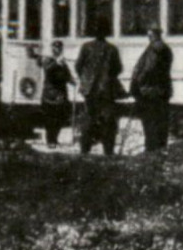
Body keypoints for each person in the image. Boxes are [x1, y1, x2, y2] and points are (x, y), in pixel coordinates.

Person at [74, 22, 123, 156]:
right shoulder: (112, 49)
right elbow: (118, 69)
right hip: (106, 90)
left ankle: (85, 150)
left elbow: (78, 66)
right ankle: (108, 151)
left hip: (89, 90)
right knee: (107, 121)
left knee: (89, 119)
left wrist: (85, 79)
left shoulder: (86, 47)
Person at [129, 25, 174, 153]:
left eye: (149, 35)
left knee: (150, 124)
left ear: (154, 34)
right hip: (162, 90)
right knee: (160, 124)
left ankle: (151, 151)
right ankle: (159, 150)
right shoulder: (165, 49)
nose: (148, 37)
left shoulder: (155, 49)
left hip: (150, 92)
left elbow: (149, 69)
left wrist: (136, 83)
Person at [37, 40, 75, 148]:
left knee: (60, 117)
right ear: (52, 49)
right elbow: (47, 70)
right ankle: (50, 140)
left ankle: (55, 139)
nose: (57, 50)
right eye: (55, 48)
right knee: (50, 118)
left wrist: (72, 81)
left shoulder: (63, 63)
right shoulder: (48, 60)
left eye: (59, 48)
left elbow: (67, 75)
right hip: (50, 93)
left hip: (61, 93)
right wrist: (56, 63)